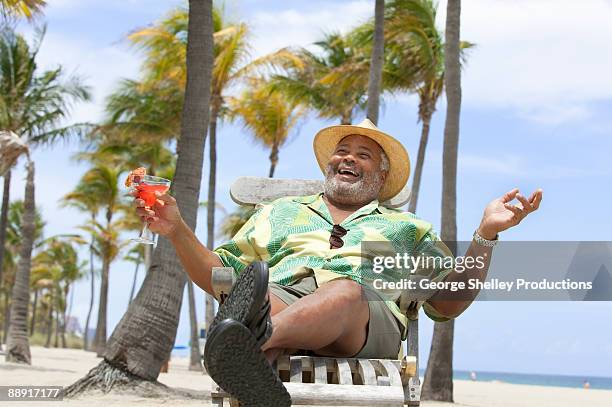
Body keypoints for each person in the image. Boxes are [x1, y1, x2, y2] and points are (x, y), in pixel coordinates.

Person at [133, 119, 542, 406]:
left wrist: (486, 233)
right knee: (262, 295)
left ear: (381, 178)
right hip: (287, 302)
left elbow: (446, 303)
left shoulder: (406, 229)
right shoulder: (280, 213)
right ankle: (254, 350)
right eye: (341, 151)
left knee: (343, 290)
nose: (347, 158)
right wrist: (177, 229)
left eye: (363, 155)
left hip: (364, 317)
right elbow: (219, 275)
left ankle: (247, 345)